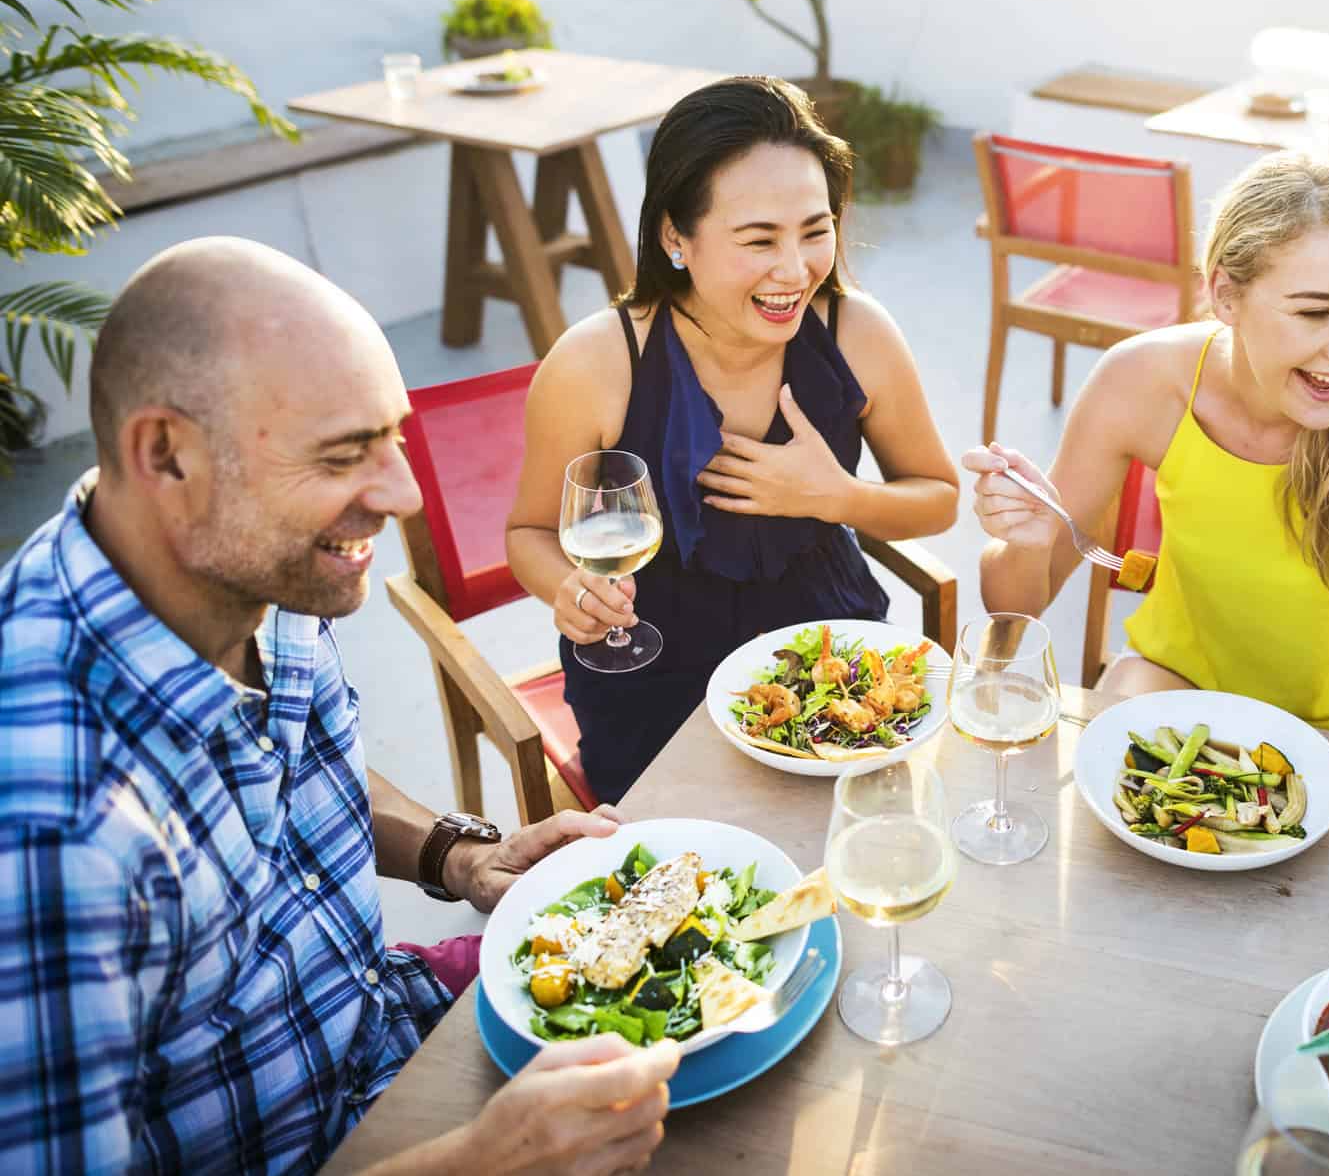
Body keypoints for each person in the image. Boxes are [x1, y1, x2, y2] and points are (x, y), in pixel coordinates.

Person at [0, 238, 680, 1174]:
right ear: (165, 454)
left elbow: (290, 770)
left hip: (389, 1021)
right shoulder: (48, 835)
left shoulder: (246, 564)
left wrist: (461, 854)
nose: (402, 495)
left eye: (394, 437)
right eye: (343, 455)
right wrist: (483, 1163)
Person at [507, 75, 957, 803]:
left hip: (832, 659)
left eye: (816, 230)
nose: (795, 269)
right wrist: (570, 589)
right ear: (675, 237)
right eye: (759, 240)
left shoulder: (858, 332)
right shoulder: (596, 364)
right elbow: (530, 529)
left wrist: (834, 495)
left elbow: (937, 498)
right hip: (655, 685)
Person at [964, 151, 1329, 738]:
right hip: (1169, 682)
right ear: (1226, 294)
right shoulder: (1141, 381)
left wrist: (1316, 760)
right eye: (1316, 311)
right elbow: (1014, 614)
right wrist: (1027, 544)